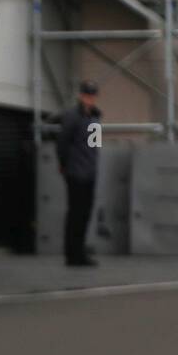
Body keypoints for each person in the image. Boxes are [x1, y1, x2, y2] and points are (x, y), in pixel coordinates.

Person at [56, 80, 102, 267]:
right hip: (76, 172)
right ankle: (72, 254)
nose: (90, 99)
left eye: (92, 96)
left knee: (85, 213)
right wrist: (64, 165)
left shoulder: (95, 117)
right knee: (75, 213)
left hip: (90, 171)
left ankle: (79, 251)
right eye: (87, 95)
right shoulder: (72, 116)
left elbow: (94, 146)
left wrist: (93, 166)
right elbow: (62, 143)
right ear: (81, 96)